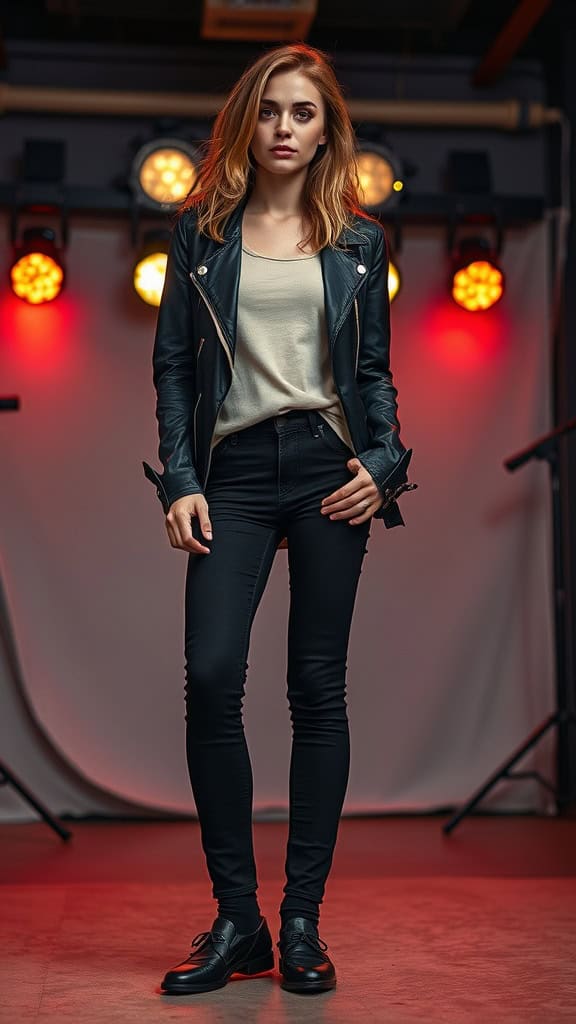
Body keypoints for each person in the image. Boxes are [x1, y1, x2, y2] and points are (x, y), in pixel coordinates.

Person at [143, 41, 414, 997]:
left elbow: (372, 373)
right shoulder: (200, 234)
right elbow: (175, 365)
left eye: (303, 114)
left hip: (329, 471)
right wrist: (181, 478)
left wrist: (385, 465)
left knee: (316, 688)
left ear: (326, 128)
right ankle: (237, 919)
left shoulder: (358, 241)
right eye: (269, 112)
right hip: (236, 474)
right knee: (212, 674)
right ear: (244, 125)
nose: (285, 129)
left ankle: (301, 923)